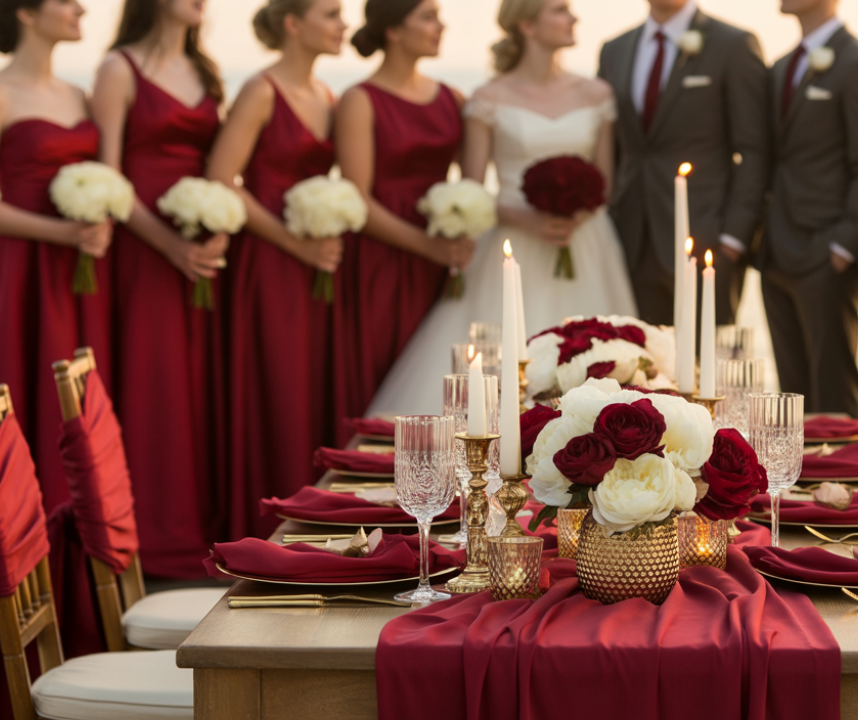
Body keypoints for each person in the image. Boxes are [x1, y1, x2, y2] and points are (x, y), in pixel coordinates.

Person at [366, 0, 635, 417]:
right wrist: (525, 217)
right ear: (526, 24)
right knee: (500, 363)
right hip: (513, 242)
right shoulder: (488, 98)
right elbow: (474, 189)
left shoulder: (597, 94)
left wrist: (573, 217)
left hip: (586, 242)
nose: (573, 18)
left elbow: (605, 180)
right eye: (560, 9)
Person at [91, 0, 226, 577]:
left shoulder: (205, 71)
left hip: (197, 246)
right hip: (143, 246)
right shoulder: (118, 68)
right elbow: (108, 175)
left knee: (195, 381)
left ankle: (195, 524)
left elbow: (219, 167)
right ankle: (151, 538)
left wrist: (219, 227)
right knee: (153, 377)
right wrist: (168, 245)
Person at [207, 0, 346, 540]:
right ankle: (266, 520)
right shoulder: (261, 90)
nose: (343, 24)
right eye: (330, 13)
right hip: (268, 260)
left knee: (308, 386)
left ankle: (311, 520)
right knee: (276, 383)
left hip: (314, 262)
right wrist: (295, 244)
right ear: (292, 23)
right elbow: (223, 178)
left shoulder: (327, 95)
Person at [0, 0, 111, 511]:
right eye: (66, 1)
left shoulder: (79, 95)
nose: (80, 9)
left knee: (81, 397)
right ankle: (24, 521)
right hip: (21, 268)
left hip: (79, 270)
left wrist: (98, 224)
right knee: (23, 388)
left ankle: (84, 522)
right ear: (26, 13)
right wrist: (61, 232)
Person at [335, 0, 472, 423]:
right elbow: (357, 198)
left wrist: (462, 233)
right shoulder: (359, 100)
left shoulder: (453, 98)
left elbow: (469, 185)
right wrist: (427, 247)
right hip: (381, 257)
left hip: (442, 256)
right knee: (382, 373)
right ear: (393, 30)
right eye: (427, 17)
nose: (440, 26)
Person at [598, 0, 768, 327]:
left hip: (706, 239)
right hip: (629, 242)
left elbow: (754, 149)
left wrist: (733, 238)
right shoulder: (614, 50)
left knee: (704, 357)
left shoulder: (733, 45)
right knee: (633, 356)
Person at [759, 0, 858, 417]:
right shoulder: (781, 67)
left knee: (835, 393)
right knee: (791, 399)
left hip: (826, 250)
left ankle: (846, 464)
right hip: (776, 250)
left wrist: (845, 246)